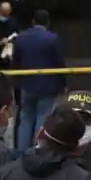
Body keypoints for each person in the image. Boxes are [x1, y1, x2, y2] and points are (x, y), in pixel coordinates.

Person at [11, 9, 67, 153]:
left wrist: (17, 81)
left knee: (25, 119)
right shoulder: (52, 38)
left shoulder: (21, 38)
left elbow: (15, 61)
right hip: (48, 86)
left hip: (27, 85)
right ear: (48, 22)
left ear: (33, 21)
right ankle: (38, 150)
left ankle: (21, 152)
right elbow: (59, 63)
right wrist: (63, 83)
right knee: (43, 117)